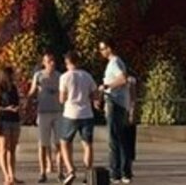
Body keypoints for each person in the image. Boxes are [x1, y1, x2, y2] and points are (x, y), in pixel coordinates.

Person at [58, 50, 97, 185]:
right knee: (87, 144)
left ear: (67, 62)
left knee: (65, 142)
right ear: (78, 61)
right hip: (86, 113)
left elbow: (62, 98)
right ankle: (88, 173)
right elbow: (94, 95)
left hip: (71, 113)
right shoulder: (87, 76)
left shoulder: (64, 77)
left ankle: (70, 170)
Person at [98, 40, 134, 183]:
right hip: (120, 103)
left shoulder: (114, 63)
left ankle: (116, 173)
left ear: (109, 48)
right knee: (121, 138)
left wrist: (106, 86)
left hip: (115, 103)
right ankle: (125, 172)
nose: (101, 52)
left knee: (114, 139)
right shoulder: (116, 62)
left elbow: (123, 79)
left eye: (102, 49)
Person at [30, 52, 63, 183]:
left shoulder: (60, 76)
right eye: (49, 61)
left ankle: (60, 171)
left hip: (58, 112)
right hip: (43, 113)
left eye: (53, 60)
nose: (52, 63)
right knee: (43, 144)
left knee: (59, 144)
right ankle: (42, 172)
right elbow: (32, 91)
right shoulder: (38, 76)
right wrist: (28, 99)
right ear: (44, 63)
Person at [0, 65, 22, 185]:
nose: (14, 75)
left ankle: (12, 175)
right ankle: (6, 176)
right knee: (3, 149)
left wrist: (20, 106)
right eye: (12, 74)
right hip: (4, 120)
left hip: (15, 119)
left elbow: (17, 101)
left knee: (12, 149)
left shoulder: (14, 87)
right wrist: (5, 108)